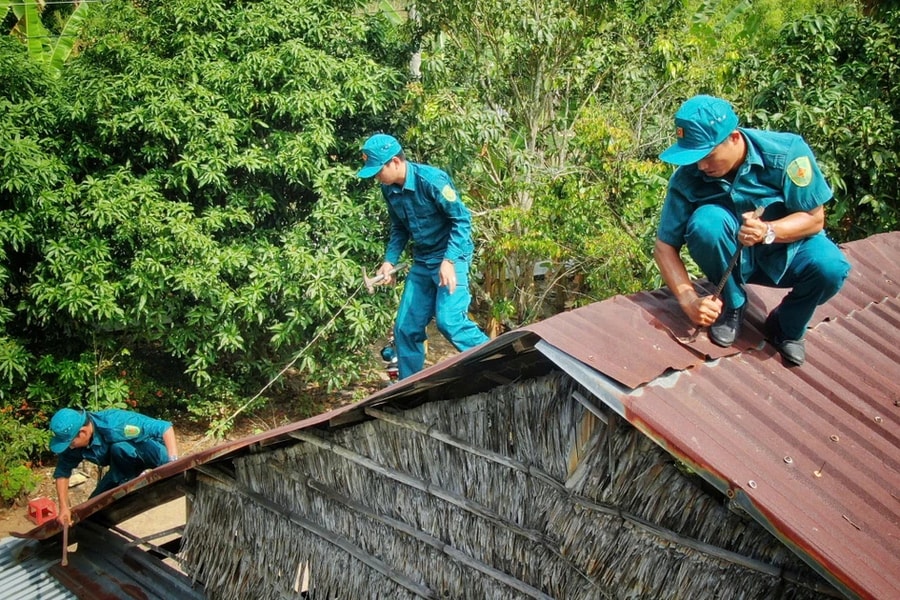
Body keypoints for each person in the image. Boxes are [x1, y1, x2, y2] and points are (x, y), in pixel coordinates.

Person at [654, 95, 851, 366]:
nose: (701, 166)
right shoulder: (688, 176)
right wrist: (689, 302)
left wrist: (768, 230)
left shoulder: (787, 153)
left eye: (708, 155)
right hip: (731, 262)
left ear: (734, 138)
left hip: (787, 252)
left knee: (832, 267)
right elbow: (664, 247)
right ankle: (733, 304)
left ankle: (787, 327)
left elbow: (814, 219)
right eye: (695, 157)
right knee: (706, 222)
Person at [357, 133, 489, 378]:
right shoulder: (389, 190)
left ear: (395, 162)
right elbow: (399, 228)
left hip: (452, 255)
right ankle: (409, 389)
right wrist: (389, 261)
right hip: (423, 260)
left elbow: (462, 221)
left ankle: (496, 362)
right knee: (405, 328)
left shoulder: (432, 181)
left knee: (449, 321)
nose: (376, 177)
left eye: (378, 170)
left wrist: (448, 261)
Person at [49, 407, 179, 526]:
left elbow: (165, 428)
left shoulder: (115, 423)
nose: (70, 446)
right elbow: (62, 472)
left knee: (119, 447)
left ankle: (142, 475)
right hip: (123, 467)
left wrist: (173, 464)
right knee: (91, 510)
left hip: (153, 454)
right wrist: (64, 507)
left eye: (71, 442)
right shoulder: (73, 445)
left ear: (83, 432)